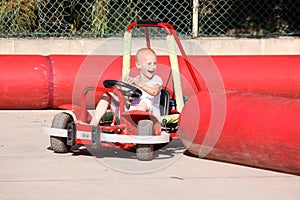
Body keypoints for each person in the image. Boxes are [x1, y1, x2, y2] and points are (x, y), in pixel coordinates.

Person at [90, 47, 163, 126]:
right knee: (108, 94)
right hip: (130, 112)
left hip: (149, 117)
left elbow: (154, 92)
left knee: (145, 101)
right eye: (149, 64)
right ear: (138, 65)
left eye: (155, 63)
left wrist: (138, 84)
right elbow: (128, 100)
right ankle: (93, 124)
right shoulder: (135, 79)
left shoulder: (156, 79)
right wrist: (118, 91)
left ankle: (138, 125)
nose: (153, 67)